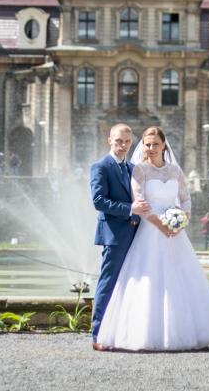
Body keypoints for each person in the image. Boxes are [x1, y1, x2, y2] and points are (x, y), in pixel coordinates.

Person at [96, 126, 209, 351]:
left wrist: (180, 222)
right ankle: (146, 333)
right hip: (150, 231)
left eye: (155, 144)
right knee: (148, 281)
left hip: (175, 234)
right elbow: (140, 203)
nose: (150, 148)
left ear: (164, 145)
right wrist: (162, 225)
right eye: (147, 144)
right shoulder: (140, 170)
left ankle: (186, 331)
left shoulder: (176, 172)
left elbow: (186, 200)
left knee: (182, 279)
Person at [89, 123, 151, 349]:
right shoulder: (100, 167)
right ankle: (98, 335)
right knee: (108, 283)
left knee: (130, 284)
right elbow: (98, 201)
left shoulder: (132, 168)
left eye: (126, 141)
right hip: (114, 235)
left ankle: (122, 332)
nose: (123, 145)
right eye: (118, 141)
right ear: (109, 141)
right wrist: (130, 209)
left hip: (135, 234)